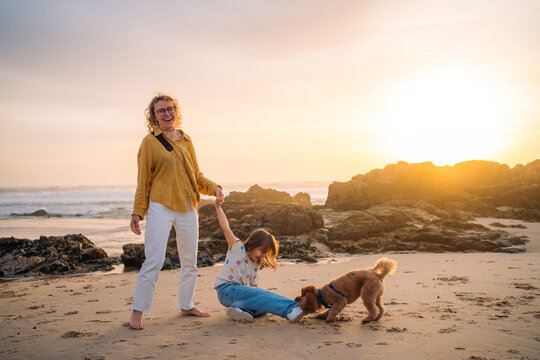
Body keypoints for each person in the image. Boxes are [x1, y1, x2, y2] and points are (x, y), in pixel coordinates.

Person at [129, 93, 224, 330]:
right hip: (161, 206)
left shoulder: (186, 140)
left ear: (176, 111)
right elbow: (143, 182)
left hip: (188, 206)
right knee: (154, 259)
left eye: (170, 109)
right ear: (154, 117)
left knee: (190, 261)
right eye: (161, 111)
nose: (167, 114)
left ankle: (187, 305)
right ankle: (137, 313)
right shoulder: (149, 143)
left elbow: (196, 175)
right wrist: (137, 213)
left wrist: (214, 188)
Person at [214, 197, 304, 323]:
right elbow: (225, 227)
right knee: (263, 295)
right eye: (262, 251)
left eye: (265, 254)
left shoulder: (254, 265)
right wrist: (218, 207)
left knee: (263, 307)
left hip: (238, 297)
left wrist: (261, 297)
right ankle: (291, 309)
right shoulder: (238, 247)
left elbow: (254, 287)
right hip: (226, 290)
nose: (263, 256)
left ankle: (239, 311)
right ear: (254, 244)